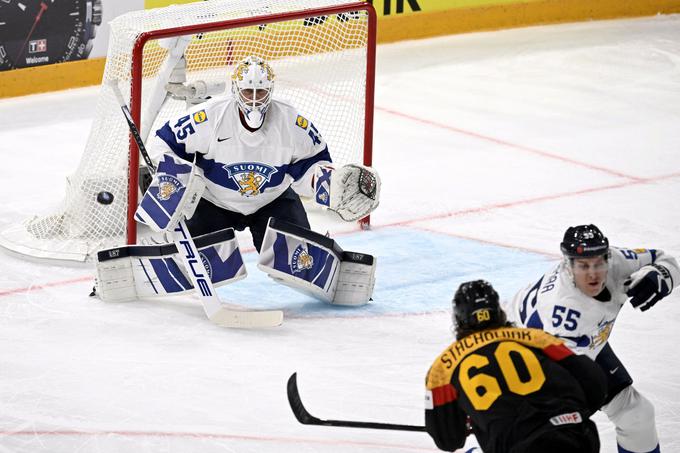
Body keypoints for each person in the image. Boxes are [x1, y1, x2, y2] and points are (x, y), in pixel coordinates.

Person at [138, 55, 380, 252]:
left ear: (270, 91)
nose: (254, 101)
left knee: (301, 259)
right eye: (248, 93)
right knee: (204, 263)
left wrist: (327, 185)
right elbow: (162, 142)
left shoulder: (291, 122)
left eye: (260, 93)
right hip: (213, 202)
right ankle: (170, 248)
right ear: (236, 90)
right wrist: (179, 176)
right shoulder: (209, 116)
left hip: (271, 201)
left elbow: (312, 164)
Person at [505, 224, 679, 453]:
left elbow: (667, 260)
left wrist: (660, 275)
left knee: (636, 415)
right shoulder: (566, 313)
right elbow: (565, 382)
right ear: (568, 266)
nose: (593, 273)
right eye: (583, 266)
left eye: (599, 263)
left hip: (580, 346)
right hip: (527, 356)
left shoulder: (617, 261)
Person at [425, 279, 607, 453]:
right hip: (577, 435)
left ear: (459, 320)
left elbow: (448, 440)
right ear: (498, 311)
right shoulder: (536, 338)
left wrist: (475, 421)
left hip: (518, 446)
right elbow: (595, 384)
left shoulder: (444, 367)